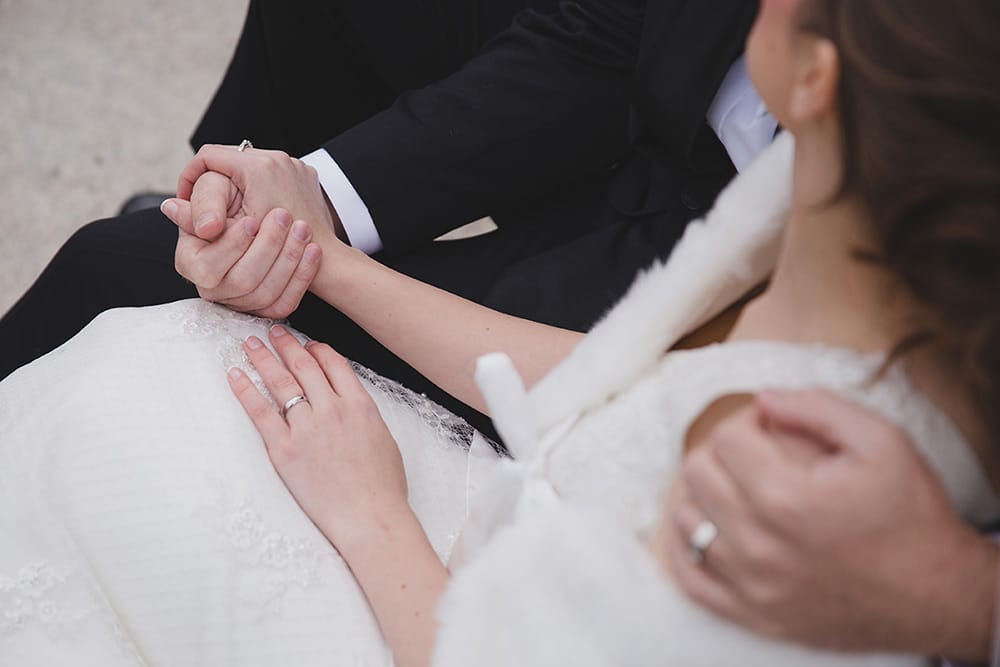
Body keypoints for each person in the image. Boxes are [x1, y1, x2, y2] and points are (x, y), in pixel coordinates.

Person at [1, 1, 998, 665]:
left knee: (117, 369)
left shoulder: (792, 471)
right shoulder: (830, 188)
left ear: (818, 79)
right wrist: (321, 242)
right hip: (539, 489)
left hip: (468, 601)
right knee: (126, 353)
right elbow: (601, 378)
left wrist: (367, 511)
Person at [0, 0, 765, 439]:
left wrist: (310, 253)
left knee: (111, 269)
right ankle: (224, 194)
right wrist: (311, 192)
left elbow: (640, 386)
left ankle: (212, 243)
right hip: (663, 123)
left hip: (696, 297)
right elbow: (608, 37)